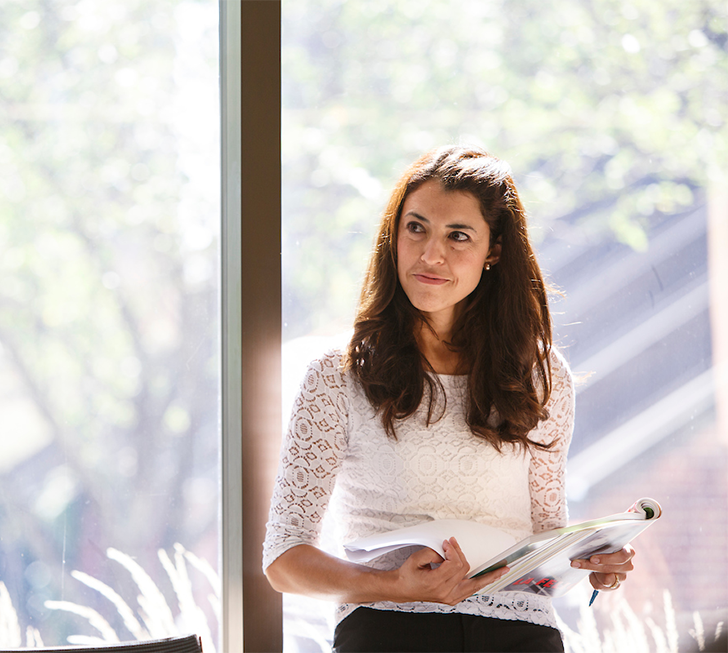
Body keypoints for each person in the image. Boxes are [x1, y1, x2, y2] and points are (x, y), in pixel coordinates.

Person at [262, 146, 635, 652]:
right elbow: (284, 560)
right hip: (390, 634)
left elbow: (546, 533)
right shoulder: (338, 374)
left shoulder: (541, 375)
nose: (430, 255)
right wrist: (392, 585)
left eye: (457, 236)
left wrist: (597, 563)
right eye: (416, 228)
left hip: (523, 636)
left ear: (494, 251)